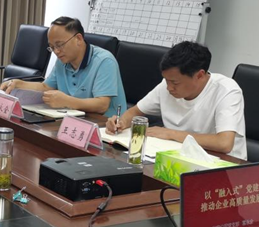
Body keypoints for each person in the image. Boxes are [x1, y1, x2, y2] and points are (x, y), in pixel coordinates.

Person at [106, 41, 247, 159]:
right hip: (177, 157)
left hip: (223, 165)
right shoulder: (167, 84)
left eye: (175, 83)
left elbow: (224, 143)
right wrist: (121, 122)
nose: (169, 88)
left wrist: (170, 133)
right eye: (166, 80)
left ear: (199, 75)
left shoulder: (227, 91)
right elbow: (135, 111)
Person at [0, 17, 127, 117]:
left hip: (106, 126)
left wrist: (67, 101)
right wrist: (19, 84)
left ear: (78, 39)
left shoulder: (104, 61)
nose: (56, 51)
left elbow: (102, 105)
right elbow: (46, 87)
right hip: (75, 119)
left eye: (60, 45)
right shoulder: (63, 60)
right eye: (52, 47)